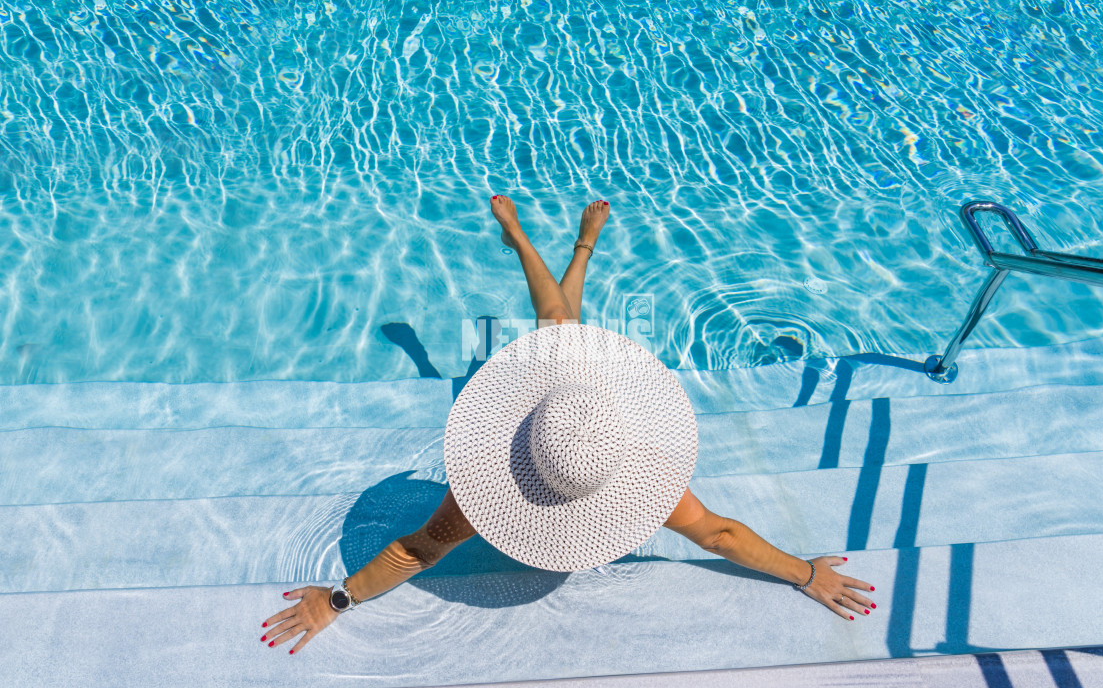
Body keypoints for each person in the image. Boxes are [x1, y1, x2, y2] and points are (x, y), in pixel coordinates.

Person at [260, 196, 876, 655]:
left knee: (558, 321)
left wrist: (338, 600)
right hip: (577, 436)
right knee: (559, 320)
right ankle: (549, 242)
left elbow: (413, 551)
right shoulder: (649, 487)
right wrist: (805, 573)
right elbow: (718, 537)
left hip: (552, 439)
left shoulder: (474, 505)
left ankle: (528, 239)